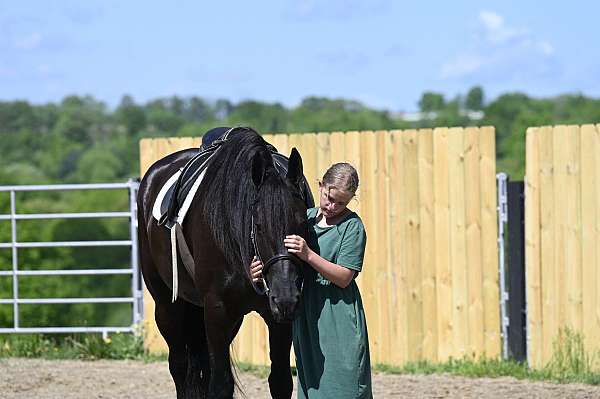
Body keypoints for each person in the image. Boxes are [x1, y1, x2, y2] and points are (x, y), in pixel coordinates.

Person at [250, 162, 372, 399]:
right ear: (321, 186)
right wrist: (257, 271)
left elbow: (345, 277)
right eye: (329, 197)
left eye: (341, 203)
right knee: (312, 387)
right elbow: (281, 259)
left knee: (344, 384)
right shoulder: (303, 220)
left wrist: (308, 255)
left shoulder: (352, 227)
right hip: (308, 316)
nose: (332, 206)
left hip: (337, 316)